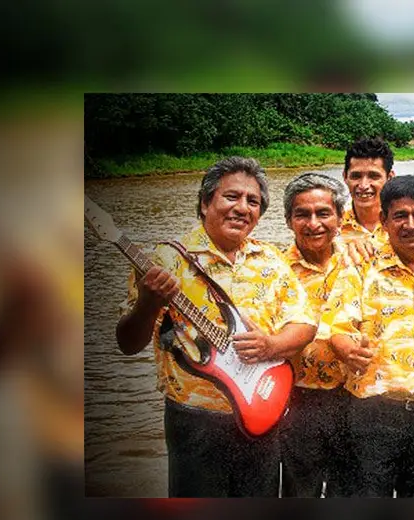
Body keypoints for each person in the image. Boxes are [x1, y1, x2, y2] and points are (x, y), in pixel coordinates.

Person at [116, 156, 317, 497]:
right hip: (195, 420)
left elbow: (306, 323)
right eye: (231, 197)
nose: (242, 208)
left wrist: (272, 345)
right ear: (206, 202)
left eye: (253, 202)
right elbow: (128, 343)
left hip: (261, 408)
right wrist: (149, 302)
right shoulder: (165, 260)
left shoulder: (270, 260)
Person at [324, 174, 414, 497]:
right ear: (384, 221)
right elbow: (338, 326)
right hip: (372, 414)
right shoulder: (361, 266)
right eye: (400, 216)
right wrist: (347, 349)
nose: (411, 224)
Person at [278, 173, 353, 497]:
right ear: (288, 220)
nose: (313, 223)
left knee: (350, 494)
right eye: (302, 214)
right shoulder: (273, 271)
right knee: (299, 493)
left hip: (354, 400)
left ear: (340, 217)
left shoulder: (362, 261)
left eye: (323, 213)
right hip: (297, 401)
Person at [340, 137, 395, 265]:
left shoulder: (404, 224)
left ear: (390, 178)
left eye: (373, 176)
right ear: (345, 177)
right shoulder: (331, 226)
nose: (364, 185)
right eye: (356, 176)